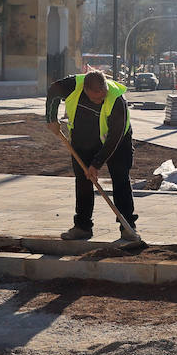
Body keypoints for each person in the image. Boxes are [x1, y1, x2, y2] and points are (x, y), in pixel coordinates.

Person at [46, 69, 138, 241]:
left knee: (120, 178)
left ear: (106, 87)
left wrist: (96, 164)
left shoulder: (117, 101)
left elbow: (114, 138)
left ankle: (127, 226)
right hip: (82, 140)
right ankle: (82, 227)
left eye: (102, 95)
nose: (100, 100)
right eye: (95, 97)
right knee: (83, 181)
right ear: (85, 90)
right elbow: (53, 90)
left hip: (117, 143)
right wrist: (51, 118)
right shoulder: (73, 86)